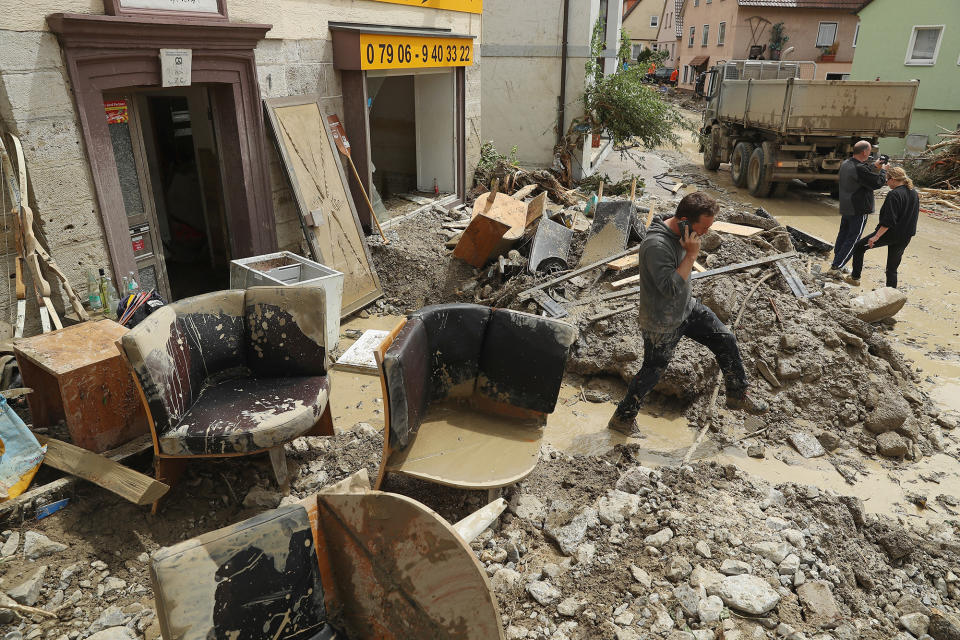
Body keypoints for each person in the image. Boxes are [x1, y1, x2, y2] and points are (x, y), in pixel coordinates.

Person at [608, 192, 768, 436]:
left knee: (725, 339)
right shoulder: (656, 246)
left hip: (686, 308)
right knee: (652, 371)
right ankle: (622, 418)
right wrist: (692, 255)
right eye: (703, 228)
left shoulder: (684, 233)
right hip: (661, 321)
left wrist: (690, 248)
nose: (705, 233)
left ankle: (737, 395)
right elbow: (670, 288)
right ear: (683, 219)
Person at [845, 166, 919, 289]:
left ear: (894, 179)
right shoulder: (913, 192)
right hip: (906, 236)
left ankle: (855, 278)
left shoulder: (894, 194)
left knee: (858, 247)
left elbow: (888, 220)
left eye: (887, 179)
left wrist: (876, 236)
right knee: (892, 268)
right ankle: (891, 293)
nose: (886, 182)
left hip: (890, 233)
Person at [829, 140, 887, 277]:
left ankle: (838, 261)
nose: (870, 153)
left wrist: (874, 166)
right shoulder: (860, 168)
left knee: (843, 235)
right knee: (853, 239)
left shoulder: (846, 163)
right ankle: (836, 267)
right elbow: (877, 183)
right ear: (864, 152)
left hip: (846, 205)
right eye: (869, 151)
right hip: (859, 209)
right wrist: (883, 171)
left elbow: (862, 174)